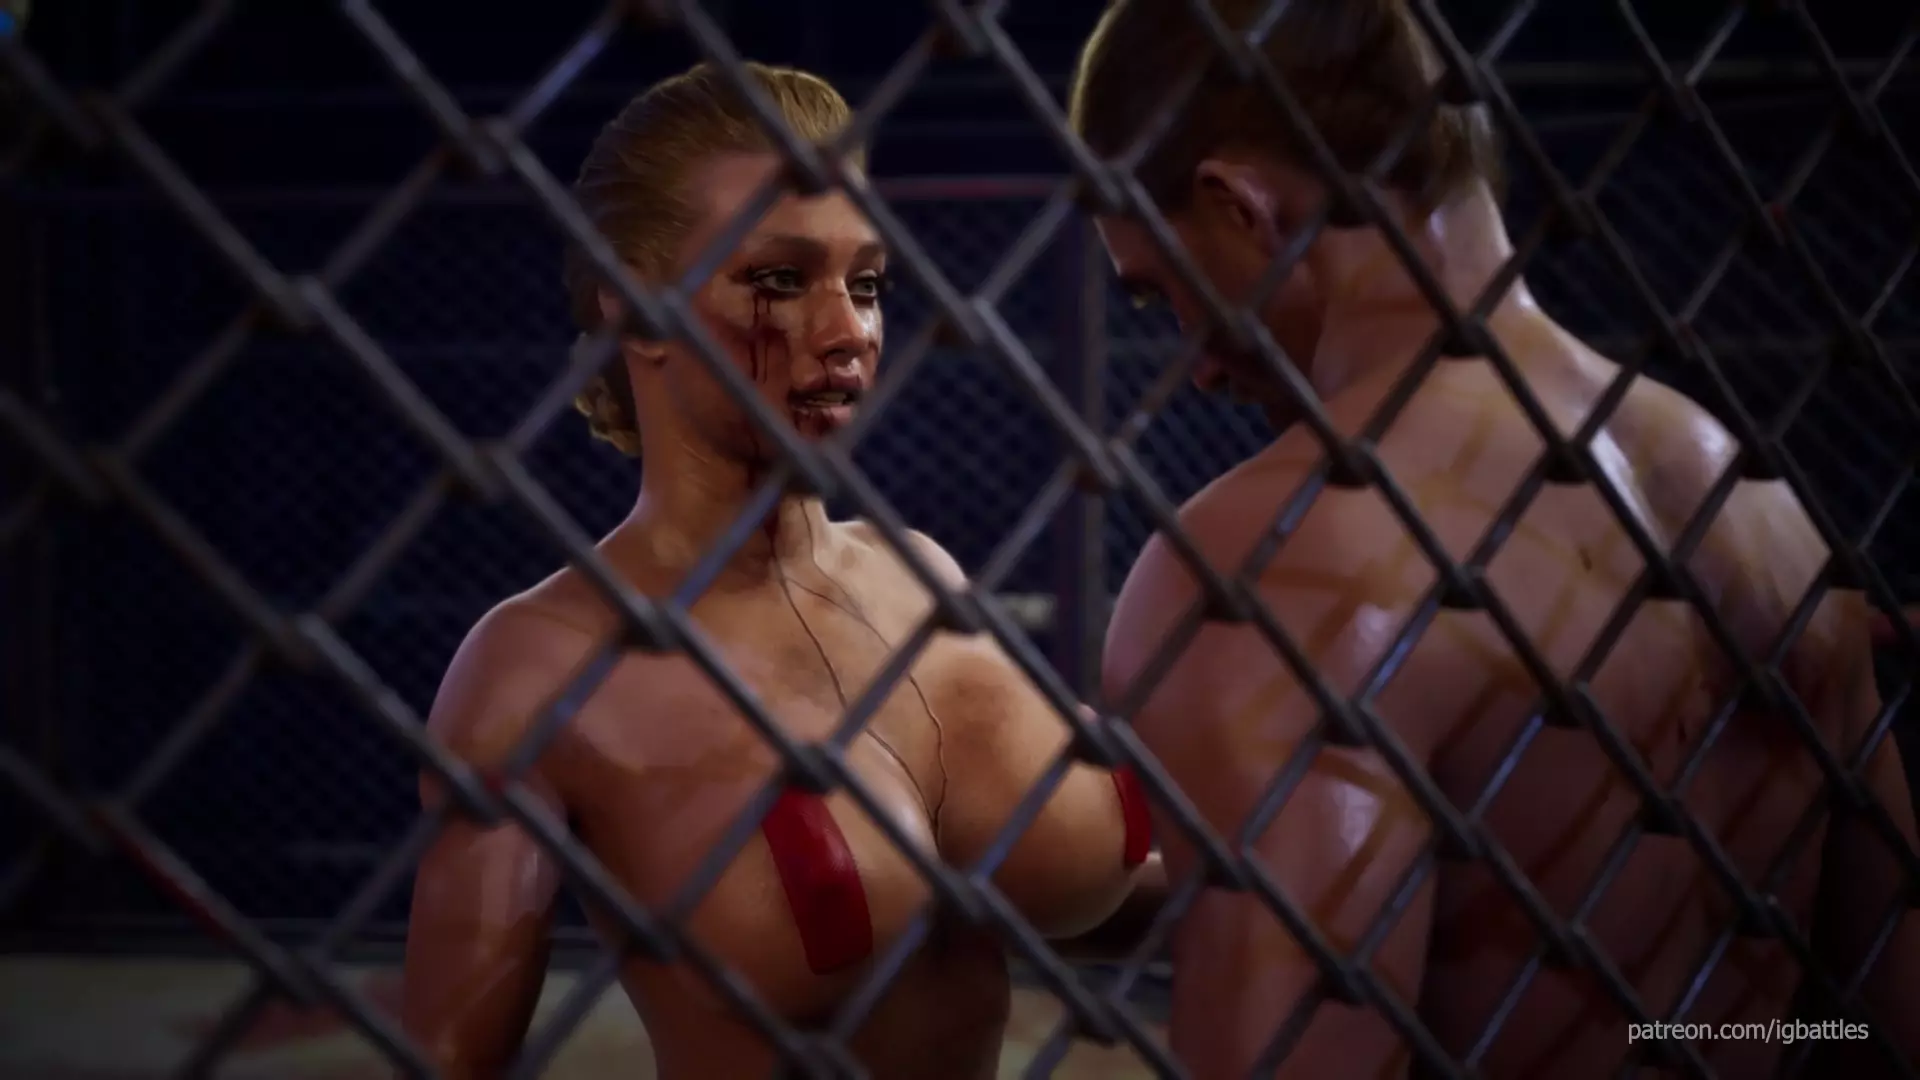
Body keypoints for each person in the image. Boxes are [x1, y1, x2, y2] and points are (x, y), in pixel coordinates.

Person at [1074, 2, 1920, 1077]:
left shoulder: (1270, 565)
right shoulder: (1756, 505)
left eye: (1162, 293)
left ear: (1239, 207)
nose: (1196, 363)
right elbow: (1885, 1020)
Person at [399, 62, 1157, 1080]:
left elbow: (1084, 912)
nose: (850, 333)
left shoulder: (920, 573)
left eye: (867, 284)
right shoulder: (539, 666)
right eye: (779, 281)